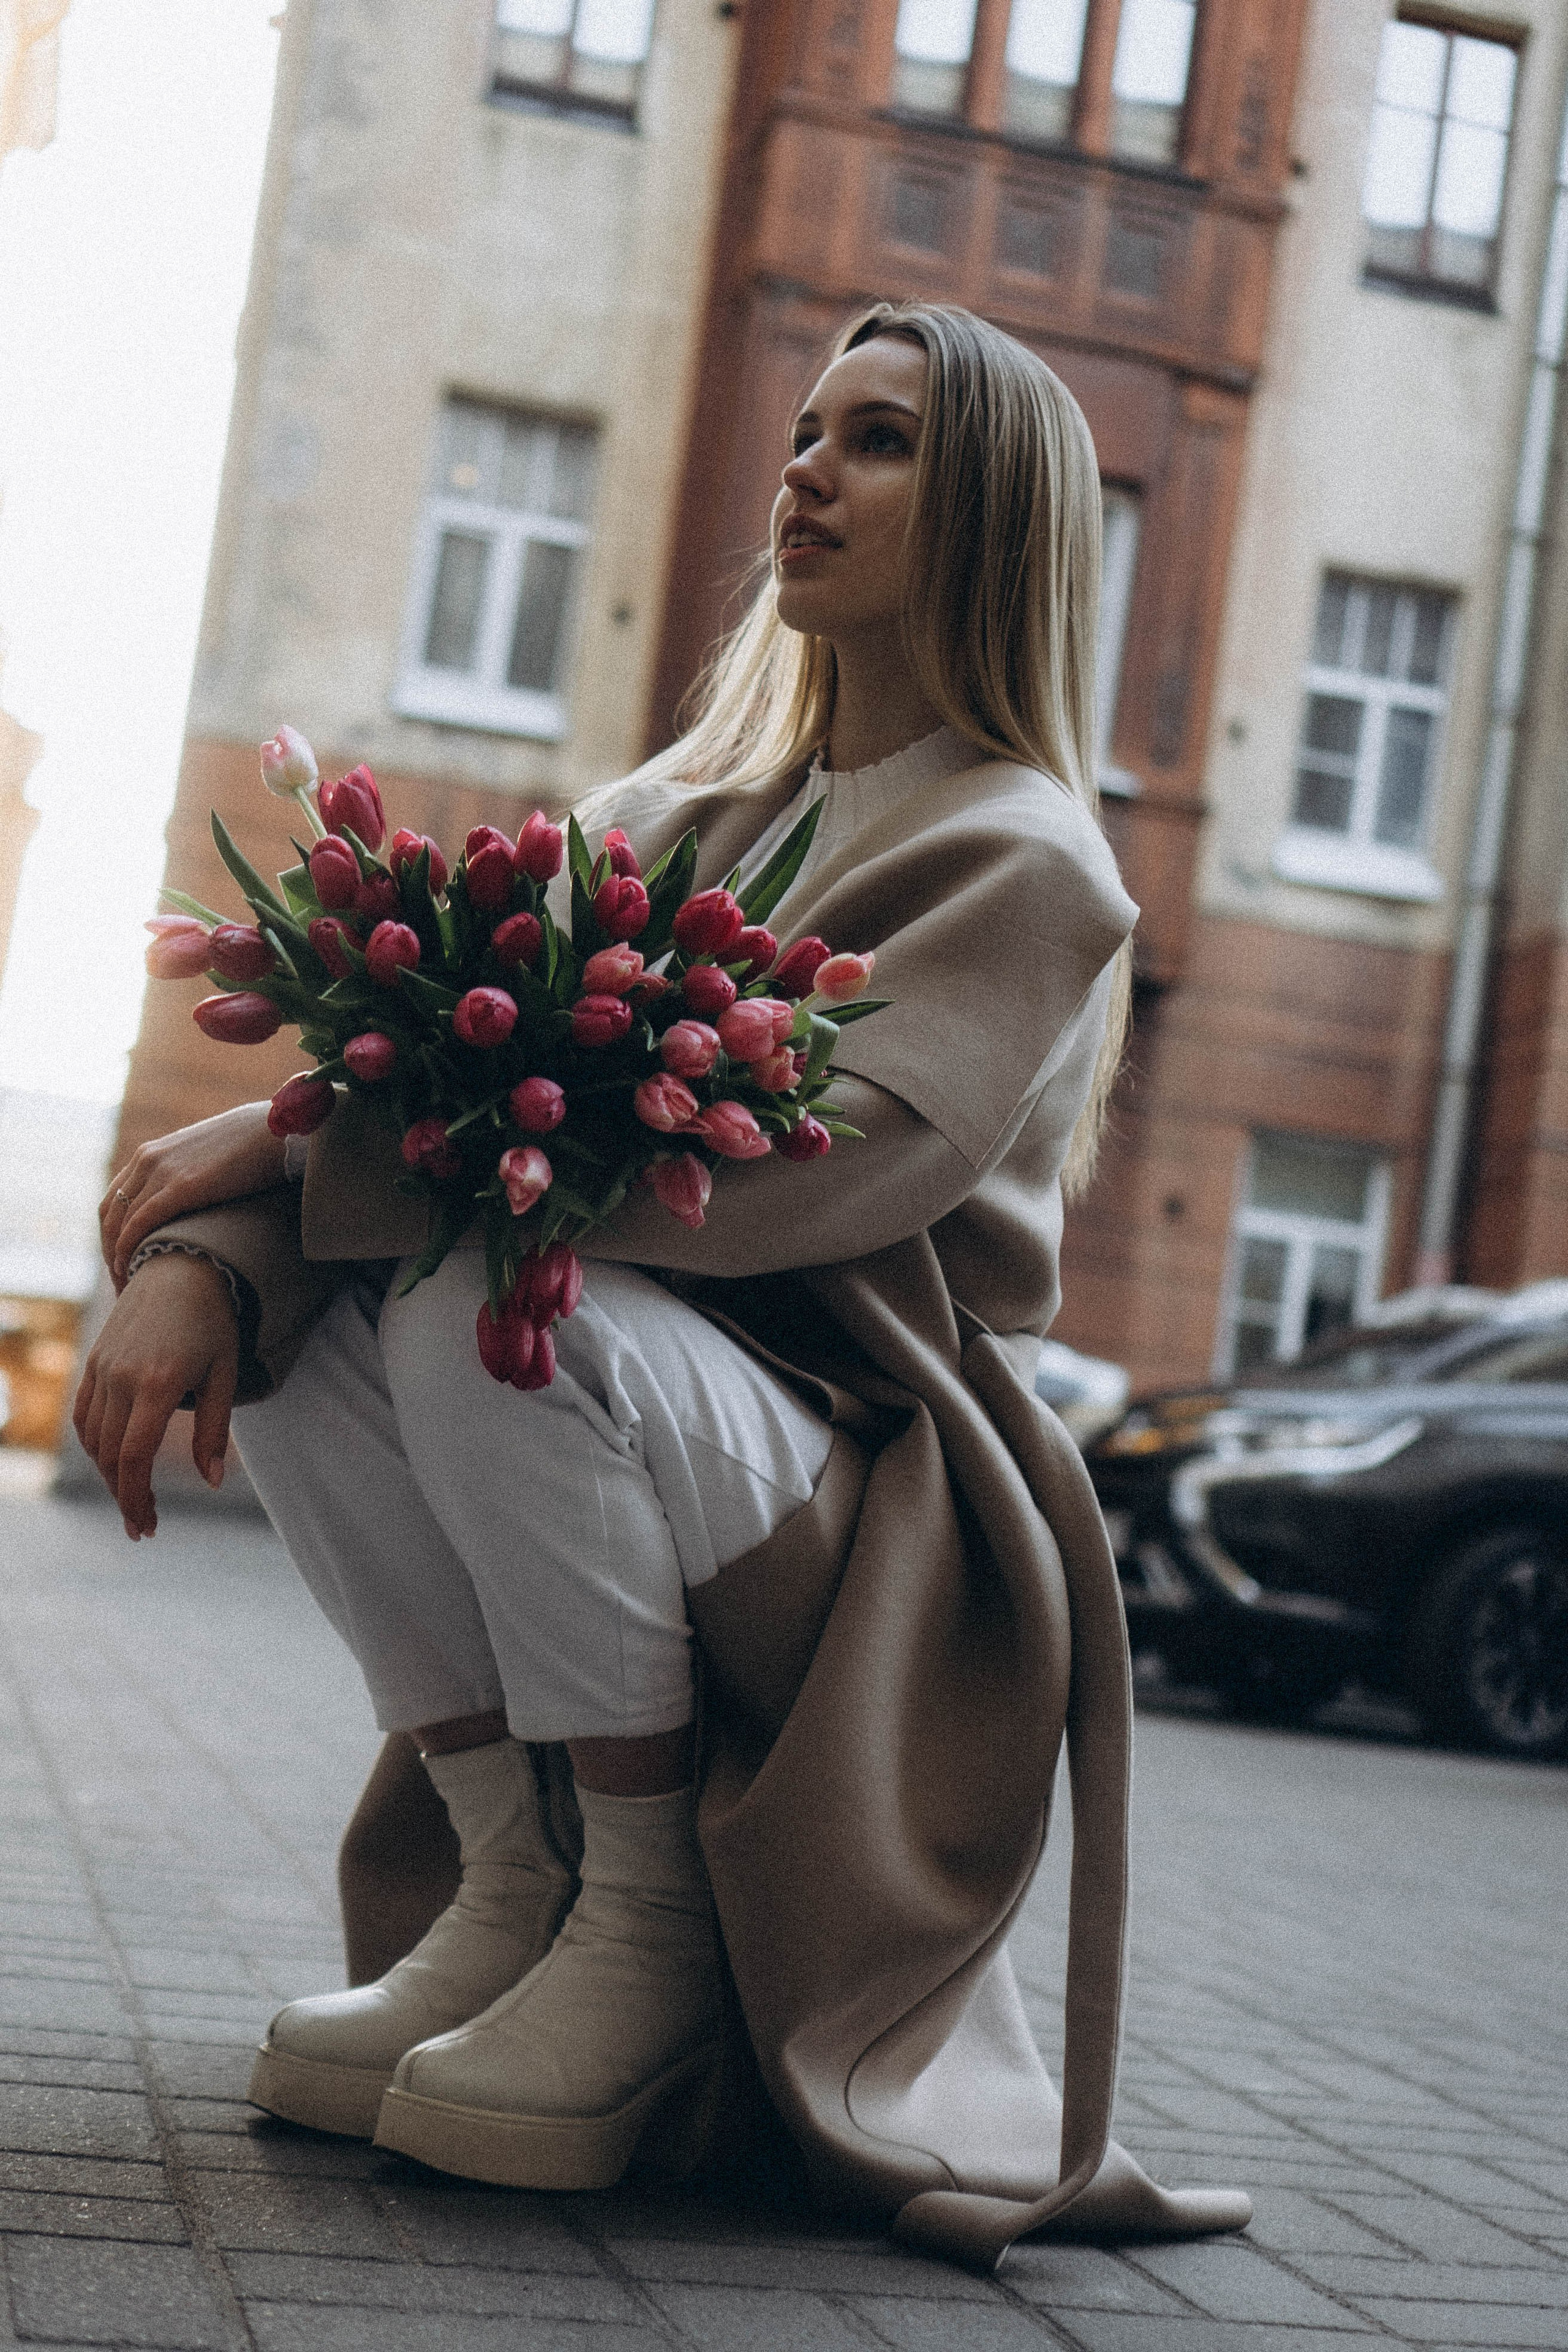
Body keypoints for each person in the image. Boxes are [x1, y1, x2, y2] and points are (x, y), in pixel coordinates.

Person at [75, 301, 1251, 2269]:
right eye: (806, 431)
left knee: (484, 1293)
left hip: (875, 1491)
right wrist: (211, 1258)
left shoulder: (1029, 859)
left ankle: (644, 1926)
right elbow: (450, 1074)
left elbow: (767, 1173)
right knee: (313, 1327)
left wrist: (267, 1144)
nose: (803, 472)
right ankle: (513, 1883)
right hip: (658, 1402)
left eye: (875, 442)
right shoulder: (661, 820)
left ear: (993, 514)